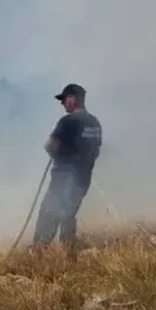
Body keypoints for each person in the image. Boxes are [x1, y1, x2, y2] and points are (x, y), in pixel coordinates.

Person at [32, 83, 102, 248]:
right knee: (68, 214)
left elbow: (49, 145)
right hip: (83, 179)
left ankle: (37, 254)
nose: (62, 104)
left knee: (49, 213)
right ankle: (68, 253)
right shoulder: (94, 123)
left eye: (64, 100)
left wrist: (57, 154)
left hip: (63, 178)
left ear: (72, 99)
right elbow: (95, 151)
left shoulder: (68, 121)